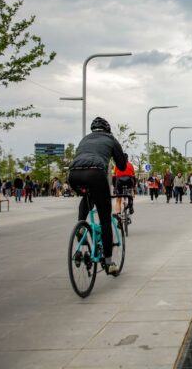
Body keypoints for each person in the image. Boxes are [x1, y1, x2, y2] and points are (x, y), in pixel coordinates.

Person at [67, 117, 126, 274]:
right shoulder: (111, 139)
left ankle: (81, 226)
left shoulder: (85, 139)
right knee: (105, 219)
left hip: (73, 175)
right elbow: (121, 166)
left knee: (87, 197)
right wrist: (122, 157)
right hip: (95, 173)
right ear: (108, 129)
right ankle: (109, 262)